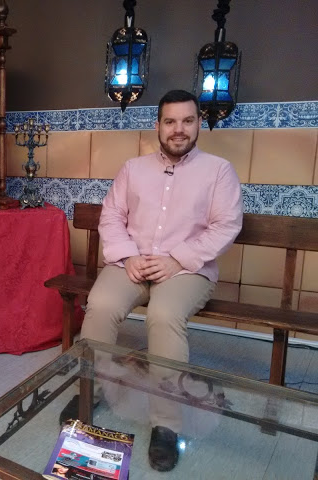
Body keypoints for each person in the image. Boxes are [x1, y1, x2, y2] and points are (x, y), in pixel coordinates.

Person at [63, 90, 243, 472]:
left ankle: (166, 423)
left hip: (188, 269)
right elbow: (112, 216)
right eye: (170, 121)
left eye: (187, 121)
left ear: (198, 123)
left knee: (163, 315)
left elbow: (226, 225)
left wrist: (177, 259)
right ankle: (91, 388)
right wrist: (128, 256)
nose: (179, 129)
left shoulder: (219, 171)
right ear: (157, 125)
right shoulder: (133, 168)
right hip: (133, 262)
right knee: (101, 306)